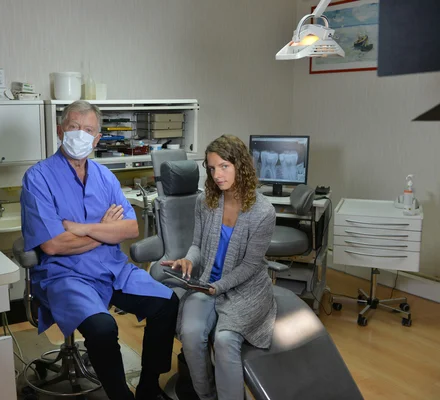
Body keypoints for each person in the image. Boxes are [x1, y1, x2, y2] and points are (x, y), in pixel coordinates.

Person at [20, 100, 178, 400]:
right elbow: (53, 244)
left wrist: (82, 228)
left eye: (88, 130)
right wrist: (105, 230)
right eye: (73, 127)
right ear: (59, 130)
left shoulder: (105, 177)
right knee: (103, 328)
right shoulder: (38, 178)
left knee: (167, 303)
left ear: (97, 138)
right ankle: (120, 395)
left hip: (111, 267)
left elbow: (131, 230)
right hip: (65, 275)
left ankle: (147, 387)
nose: (80, 135)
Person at [162, 135, 277, 400]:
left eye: (224, 166)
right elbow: (198, 245)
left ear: (241, 166)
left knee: (225, 340)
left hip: (245, 288)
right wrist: (189, 259)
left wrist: (219, 286)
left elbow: (250, 265)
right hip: (207, 284)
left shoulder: (263, 212)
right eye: (212, 168)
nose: (217, 175)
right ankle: (207, 396)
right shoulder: (206, 202)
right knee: (190, 334)